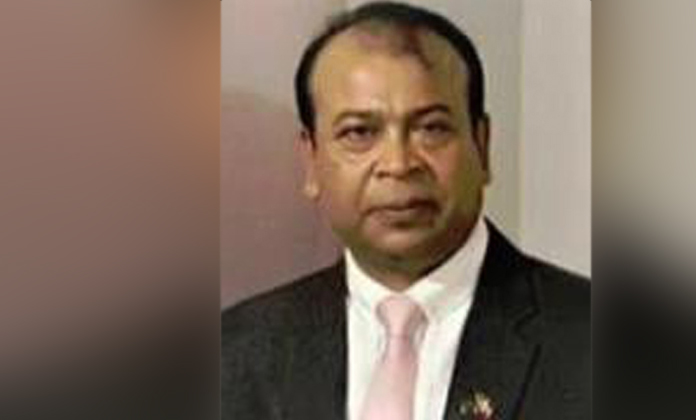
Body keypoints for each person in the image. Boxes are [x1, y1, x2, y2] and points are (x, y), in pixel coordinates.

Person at [222, 2, 589, 419]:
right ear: (311, 160)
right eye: (359, 132)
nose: (398, 164)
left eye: (431, 128)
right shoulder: (234, 355)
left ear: (482, 146)